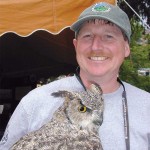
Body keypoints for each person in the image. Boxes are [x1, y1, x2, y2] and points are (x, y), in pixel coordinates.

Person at [0, 2, 150, 150]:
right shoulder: (34, 102)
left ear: (126, 48)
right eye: (88, 36)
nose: (96, 46)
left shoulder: (146, 106)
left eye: (108, 36)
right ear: (75, 45)